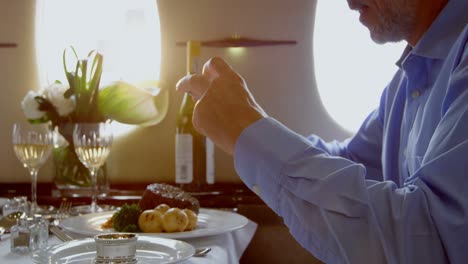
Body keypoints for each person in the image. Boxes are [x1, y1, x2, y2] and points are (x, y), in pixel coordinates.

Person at [176, 0, 468, 263]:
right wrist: (253, 122)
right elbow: (350, 161)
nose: (349, 2)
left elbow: (433, 238)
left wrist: (250, 134)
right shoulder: (403, 86)